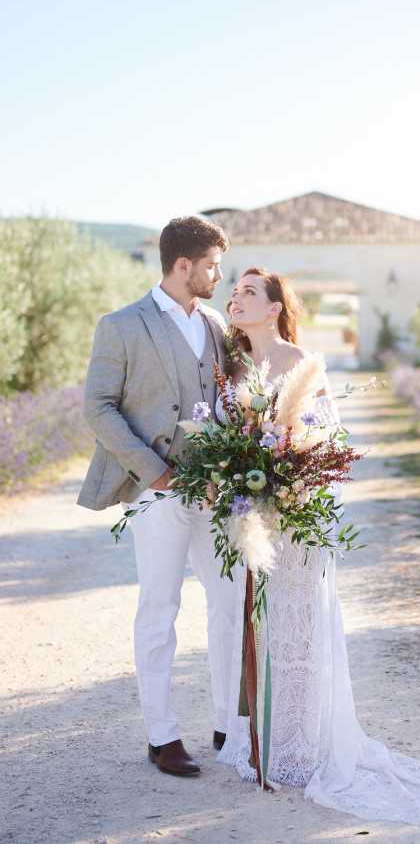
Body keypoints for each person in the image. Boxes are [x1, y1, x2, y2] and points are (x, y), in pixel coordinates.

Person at [215, 267, 420, 830]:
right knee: (260, 630)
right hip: (253, 523)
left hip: (295, 521)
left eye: (250, 291)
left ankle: (302, 748)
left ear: (274, 307)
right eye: (235, 291)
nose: (237, 298)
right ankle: (263, 742)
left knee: (299, 630)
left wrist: (288, 481)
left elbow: (326, 442)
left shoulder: (303, 362)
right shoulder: (231, 369)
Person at [78, 216, 237, 777]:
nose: (220, 274)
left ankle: (228, 726)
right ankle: (162, 736)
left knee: (228, 602)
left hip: (216, 492)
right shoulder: (122, 325)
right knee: (159, 608)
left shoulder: (216, 323)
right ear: (184, 265)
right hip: (156, 492)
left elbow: (227, 400)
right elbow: (97, 406)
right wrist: (154, 472)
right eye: (213, 265)